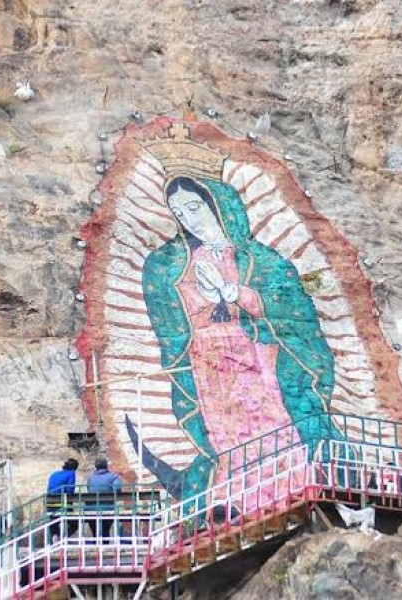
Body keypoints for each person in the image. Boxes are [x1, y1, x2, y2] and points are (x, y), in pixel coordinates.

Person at [128, 168, 345, 507]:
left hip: (258, 360)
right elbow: (172, 323)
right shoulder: (175, 264)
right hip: (209, 367)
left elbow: (289, 308)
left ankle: (288, 490)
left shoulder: (261, 259)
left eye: (195, 207)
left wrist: (232, 292)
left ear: (217, 206)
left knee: (271, 426)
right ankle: (239, 501)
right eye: (180, 213)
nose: (189, 219)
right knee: (227, 436)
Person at [87, 457, 121, 539]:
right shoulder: (113, 477)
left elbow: (88, 489)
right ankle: (104, 546)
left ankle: (97, 546)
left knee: (95, 531)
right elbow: (117, 489)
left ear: (96, 467)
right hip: (108, 508)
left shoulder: (90, 478)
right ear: (106, 466)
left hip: (91, 509)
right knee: (105, 530)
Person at [46, 458, 79, 542]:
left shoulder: (54, 474)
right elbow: (70, 490)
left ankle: (55, 538)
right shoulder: (71, 473)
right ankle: (62, 539)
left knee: (53, 522)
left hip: (49, 503)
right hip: (62, 503)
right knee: (75, 524)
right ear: (74, 468)